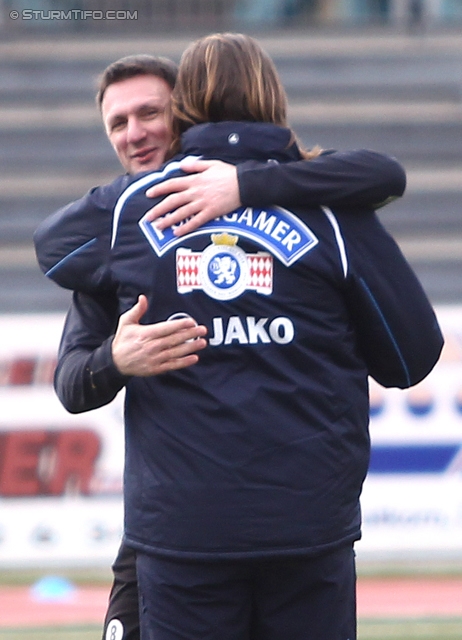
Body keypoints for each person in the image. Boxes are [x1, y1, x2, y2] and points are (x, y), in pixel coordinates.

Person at [36, 33, 443, 640]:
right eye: (118, 122)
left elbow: (50, 249)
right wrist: (115, 359)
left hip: (182, 533)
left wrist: (248, 185)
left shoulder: (125, 218)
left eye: (150, 113)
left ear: (183, 110)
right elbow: (411, 360)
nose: (135, 132)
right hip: (308, 527)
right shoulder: (334, 210)